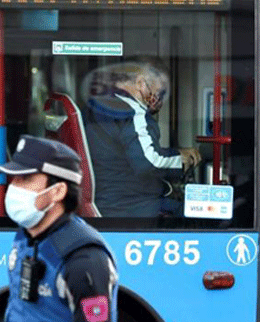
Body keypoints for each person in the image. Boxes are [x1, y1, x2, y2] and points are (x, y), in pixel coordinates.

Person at [0, 135, 118, 322]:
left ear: (58, 191)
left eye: (25, 178)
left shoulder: (83, 259)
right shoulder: (25, 237)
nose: (14, 187)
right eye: (14, 178)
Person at [82, 60, 201, 217]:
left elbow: (124, 152)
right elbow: (149, 163)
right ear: (140, 83)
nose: (160, 100)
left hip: (104, 200)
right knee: (194, 212)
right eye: (160, 92)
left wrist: (174, 152)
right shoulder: (134, 113)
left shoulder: (96, 106)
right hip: (130, 205)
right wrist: (181, 158)